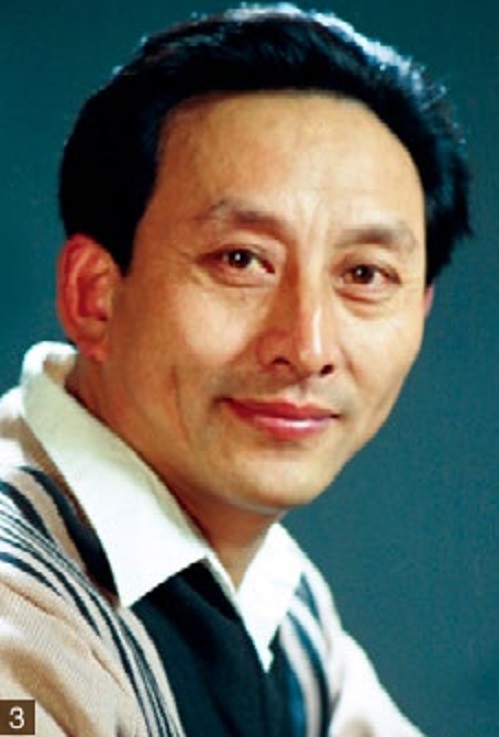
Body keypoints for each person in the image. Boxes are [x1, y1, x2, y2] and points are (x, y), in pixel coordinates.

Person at [0, 4, 470, 736]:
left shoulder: (277, 595)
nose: (307, 346)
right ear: (94, 294)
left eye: (364, 274)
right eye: (241, 260)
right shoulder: (19, 616)